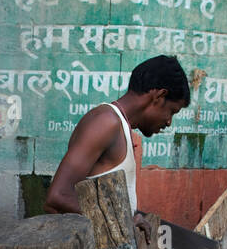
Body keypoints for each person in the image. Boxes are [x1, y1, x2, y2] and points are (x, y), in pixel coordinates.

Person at [44, 54, 190, 228]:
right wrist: (123, 222)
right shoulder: (106, 122)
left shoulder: (121, 127)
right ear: (159, 96)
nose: (168, 122)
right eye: (172, 111)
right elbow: (57, 197)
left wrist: (128, 220)